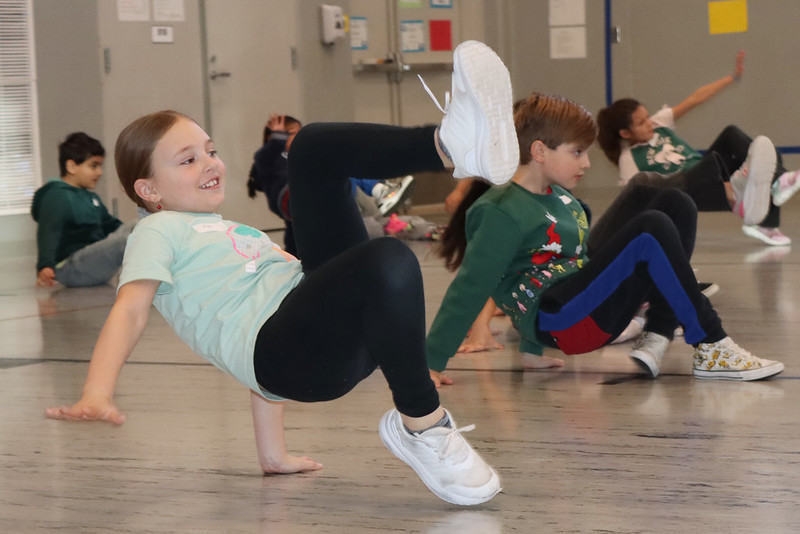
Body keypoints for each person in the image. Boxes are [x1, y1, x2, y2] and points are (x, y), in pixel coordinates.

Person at [44, 40, 521, 506]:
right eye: (188, 160)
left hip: (304, 333)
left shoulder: (223, 229)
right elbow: (130, 312)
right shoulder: (157, 231)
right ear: (148, 189)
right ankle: (424, 425)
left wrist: (273, 456)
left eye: (210, 150)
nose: (210, 163)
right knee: (389, 257)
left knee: (310, 146)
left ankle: (450, 146)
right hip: (298, 359)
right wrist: (96, 392)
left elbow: (249, 324)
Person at [426, 91, 784, 388]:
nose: (587, 163)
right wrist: (432, 361)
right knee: (652, 227)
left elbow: (543, 266)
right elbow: (474, 286)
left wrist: (530, 357)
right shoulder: (502, 212)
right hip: (566, 322)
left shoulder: (561, 199)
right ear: (539, 152)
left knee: (674, 202)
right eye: (577, 152)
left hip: (579, 299)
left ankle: (658, 332)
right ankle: (710, 342)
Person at [597, 51, 800, 246]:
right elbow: (635, 200)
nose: (649, 123)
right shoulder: (628, 159)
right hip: (688, 190)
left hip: (706, 170)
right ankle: (753, 191)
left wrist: (732, 77)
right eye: (641, 123)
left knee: (749, 145)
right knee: (716, 165)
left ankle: (768, 209)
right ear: (625, 133)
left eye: (647, 117)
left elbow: (696, 98)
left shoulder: (658, 123)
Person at [247, 114, 418, 255]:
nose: (298, 138)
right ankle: (380, 192)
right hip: (291, 196)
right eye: (291, 133)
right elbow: (269, 155)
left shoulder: (298, 157)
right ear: (272, 138)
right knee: (336, 168)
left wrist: (292, 253)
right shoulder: (268, 157)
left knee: (302, 228)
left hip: (305, 203)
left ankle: (379, 201)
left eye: (300, 133)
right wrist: (277, 139)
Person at [31, 132, 135, 288]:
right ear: (71, 167)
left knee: (139, 227)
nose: (99, 172)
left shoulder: (90, 198)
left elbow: (113, 226)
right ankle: (150, 283)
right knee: (126, 241)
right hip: (72, 268)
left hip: (92, 262)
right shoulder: (56, 196)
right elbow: (49, 232)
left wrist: (139, 230)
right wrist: (45, 266)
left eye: (100, 166)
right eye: (93, 166)